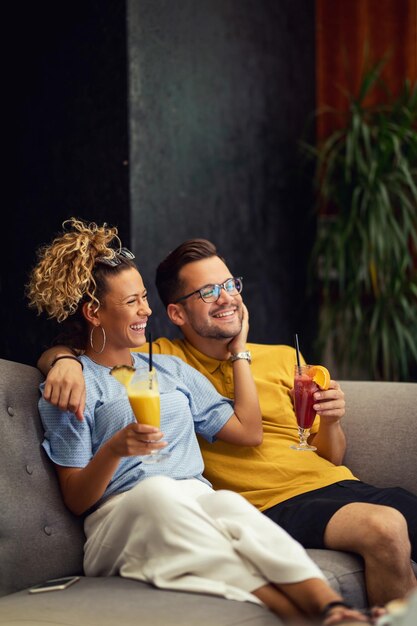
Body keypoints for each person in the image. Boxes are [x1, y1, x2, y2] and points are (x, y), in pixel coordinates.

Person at [37, 237, 417, 608]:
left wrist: (244, 357)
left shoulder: (171, 368)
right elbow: (76, 494)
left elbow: (258, 435)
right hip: (151, 512)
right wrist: (63, 364)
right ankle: (303, 610)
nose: (145, 310)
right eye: (132, 301)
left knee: (229, 507)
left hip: (228, 497)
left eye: (228, 284)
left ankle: (334, 609)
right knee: (169, 495)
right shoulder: (112, 372)